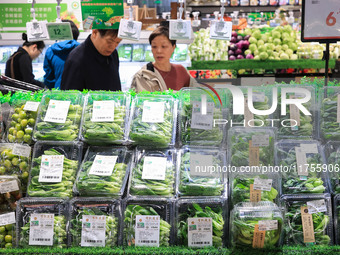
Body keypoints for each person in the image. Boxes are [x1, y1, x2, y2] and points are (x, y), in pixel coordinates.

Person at [131, 26, 197, 92]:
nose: (159, 51)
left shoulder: (181, 71)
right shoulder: (143, 75)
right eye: (154, 47)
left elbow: (194, 93)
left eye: (164, 46)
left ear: (173, 47)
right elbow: (142, 100)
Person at [43, 20, 80, 89]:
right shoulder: (82, 49)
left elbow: (49, 78)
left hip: (58, 93)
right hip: (78, 93)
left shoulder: (50, 51)